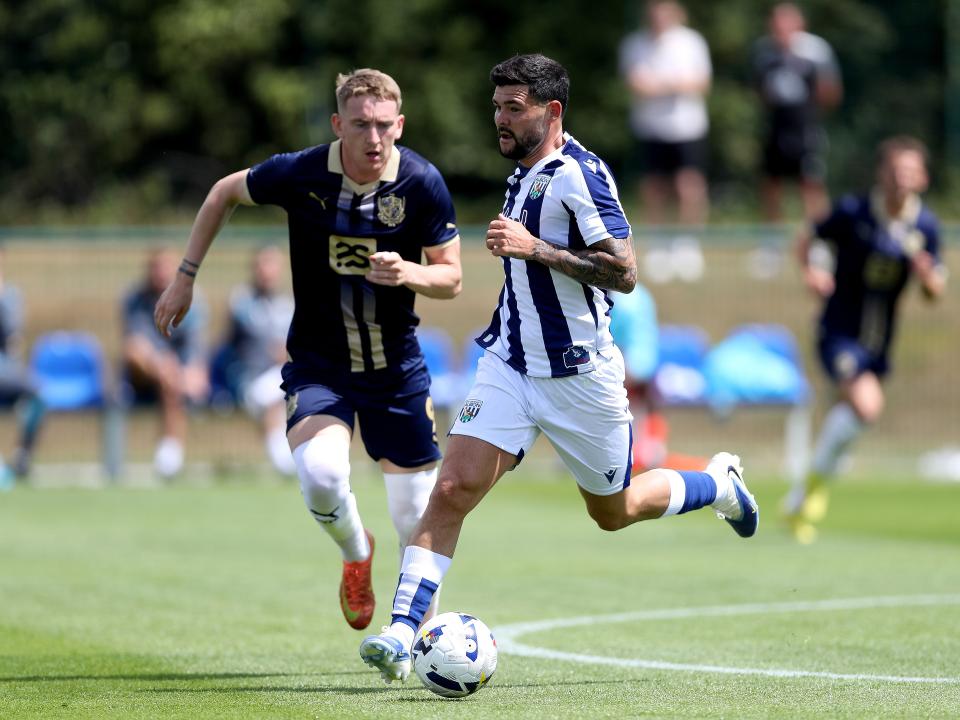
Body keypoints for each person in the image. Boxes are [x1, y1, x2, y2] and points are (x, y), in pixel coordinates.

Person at [359, 53, 758, 684]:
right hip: (510, 364)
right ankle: (402, 634)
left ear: (553, 111)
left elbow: (624, 273)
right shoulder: (524, 169)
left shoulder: (580, 174)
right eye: (497, 106)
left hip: (581, 381)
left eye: (514, 108)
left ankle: (717, 482)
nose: (501, 118)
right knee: (452, 489)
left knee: (615, 510)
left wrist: (535, 248)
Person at [153, 69, 463, 632]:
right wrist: (185, 276)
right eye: (362, 125)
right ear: (338, 124)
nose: (374, 138)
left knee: (414, 515)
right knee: (321, 475)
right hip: (321, 366)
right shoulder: (300, 173)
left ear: (400, 125)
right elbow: (224, 192)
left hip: (396, 371)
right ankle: (355, 553)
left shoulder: (422, 183)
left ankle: (416, 645)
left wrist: (409, 271)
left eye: (385, 126)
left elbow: (453, 278)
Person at [782, 136, 947, 543]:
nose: (901, 180)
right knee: (867, 405)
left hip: (879, 343)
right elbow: (807, 237)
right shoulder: (854, 211)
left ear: (923, 178)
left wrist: (927, 276)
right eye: (894, 171)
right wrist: (812, 273)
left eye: (909, 172)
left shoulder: (924, 226)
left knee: (850, 420)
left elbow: (935, 291)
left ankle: (800, 500)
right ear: (882, 174)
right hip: (838, 332)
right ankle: (812, 496)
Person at [619, 1, 712, 228]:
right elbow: (635, 82)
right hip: (650, 125)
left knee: (688, 185)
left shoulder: (691, 41)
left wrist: (662, 85)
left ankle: (688, 240)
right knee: (653, 186)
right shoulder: (634, 44)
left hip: (686, 126)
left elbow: (701, 82)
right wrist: (673, 84)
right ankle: (657, 239)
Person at [122, 247, 209, 479]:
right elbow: (136, 340)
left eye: (166, 267)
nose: (160, 273)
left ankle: (169, 454)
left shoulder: (193, 299)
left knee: (171, 378)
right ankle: (170, 452)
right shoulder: (135, 299)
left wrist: (191, 371)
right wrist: (161, 363)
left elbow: (195, 346)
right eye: (156, 267)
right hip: (143, 372)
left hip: (176, 376)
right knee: (134, 351)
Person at [752, 2, 842, 223]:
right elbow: (759, 90)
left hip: (805, 126)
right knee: (771, 183)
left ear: (800, 24)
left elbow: (831, 91)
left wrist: (811, 113)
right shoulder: (764, 51)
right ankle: (771, 241)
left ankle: (819, 238)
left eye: (786, 21)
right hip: (776, 126)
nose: (781, 27)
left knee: (810, 183)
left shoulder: (815, 50)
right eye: (777, 22)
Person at [609, 283, 707, 472]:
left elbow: (612, 340)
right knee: (641, 456)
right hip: (642, 367)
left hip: (633, 366)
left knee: (644, 458)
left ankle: (706, 469)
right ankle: (707, 468)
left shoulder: (621, 302)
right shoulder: (636, 294)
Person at [222, 245, 295, 476]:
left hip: (282, 375)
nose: (268, 271)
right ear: (254, 269)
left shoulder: (288, 305)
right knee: (274, 396)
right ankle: (283, 463)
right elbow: (256, 340)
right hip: (247, 378)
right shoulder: (242, 301)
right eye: (264, 265)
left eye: (273, 265)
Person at [0, 246, 45, 486]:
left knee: (37, 391)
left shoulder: (10, 295)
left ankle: (22, 457)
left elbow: (12, 333)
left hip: (6, 369)